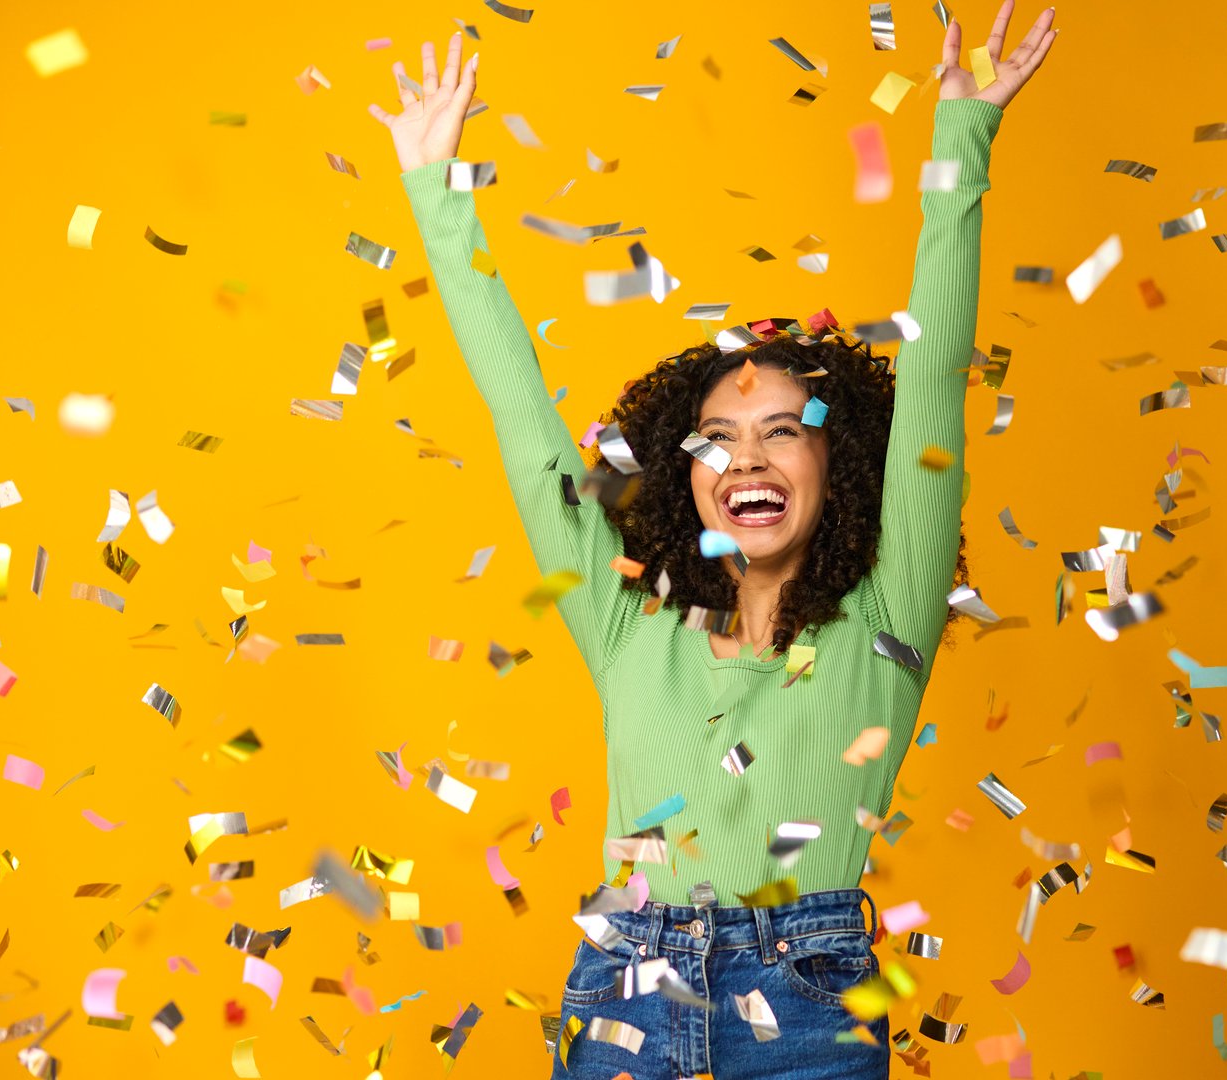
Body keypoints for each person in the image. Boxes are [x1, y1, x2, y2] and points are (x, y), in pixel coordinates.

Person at [371, 4, 1057, 1076]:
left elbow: (932, 383)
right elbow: (523, 425)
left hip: (811, 1004)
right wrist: (436, 191)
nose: (748, 460)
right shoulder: (625, 613)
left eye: (785, 432)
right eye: (718, 439)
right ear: (680, 472)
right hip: (627, 999)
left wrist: (960, 137)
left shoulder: (889, 617)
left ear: (842, 468)